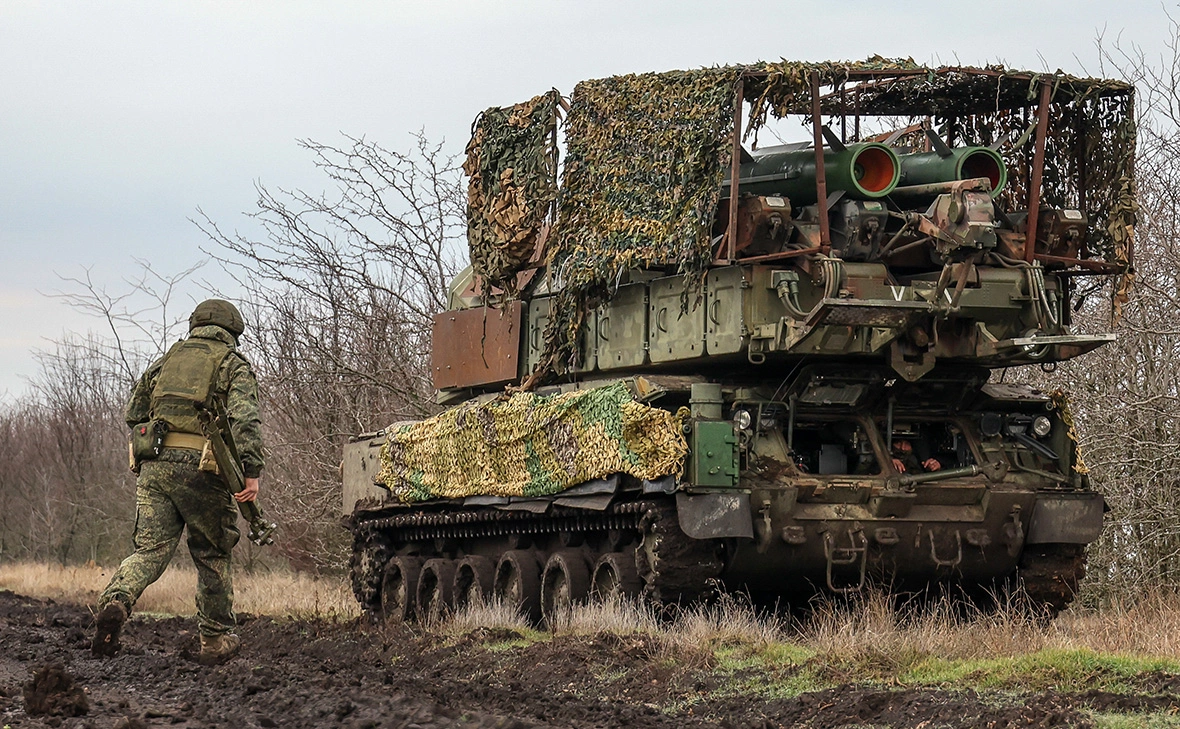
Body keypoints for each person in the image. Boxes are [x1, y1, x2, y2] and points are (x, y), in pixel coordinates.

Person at [91, 299, 264, 665]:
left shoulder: (166, 362)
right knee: (212, 553)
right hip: (202, 469)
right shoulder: (233, 364)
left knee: (149, 552)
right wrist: (251, 471)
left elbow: (133, 413)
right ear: (233, 331)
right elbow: (245, 419)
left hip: (153, 468)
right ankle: (214, 641)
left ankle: (116, 600)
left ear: (194, 326)